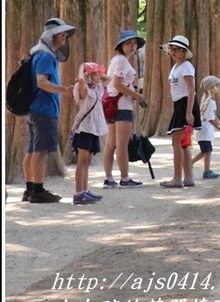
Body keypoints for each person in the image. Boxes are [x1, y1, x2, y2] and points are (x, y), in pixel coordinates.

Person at [23, 17, 76, 204]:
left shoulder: (39, 53)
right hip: (43, 109)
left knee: (32, 150)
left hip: (35, 109)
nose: (64, 37)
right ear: (51, 36)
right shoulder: (45, 56)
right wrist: (65, 90)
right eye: (61, 34)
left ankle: (29, 189)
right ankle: (38, 190)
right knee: (41, 151)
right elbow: (42, 82)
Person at [102, 29, 148, 188]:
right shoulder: (121, 61)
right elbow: (117, 84)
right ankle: (125, 178)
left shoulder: (115, 61)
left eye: (134, 43)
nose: (132, 46)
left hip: (111, 106)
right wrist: (137, 96)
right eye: (128, 43)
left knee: (111, 144)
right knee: (121, 145)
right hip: (122, 106)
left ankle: (108, 178)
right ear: (121, 45)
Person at [159, 34, 202, 189]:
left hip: (186, 104)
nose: (174, 52)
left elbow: (191, 90)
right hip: (179, 104)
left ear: (184, 52)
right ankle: (188, 177)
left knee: (177, 143)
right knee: (183, 144)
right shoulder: (175, 67)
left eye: (177, 49)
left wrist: (189, 112)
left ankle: (177, 178)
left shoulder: (187, 67)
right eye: (172, 49)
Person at [71, 62, 109, 205]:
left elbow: (109, 79)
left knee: (87, 161)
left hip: (94, 128)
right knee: (82, 160)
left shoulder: (98, 88)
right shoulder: (82, 87)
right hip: (84, 129)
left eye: (97, 74)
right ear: (87, 76)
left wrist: (98, 72)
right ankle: (78, 193)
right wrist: (83, 71)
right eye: (94, 74)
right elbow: (82, 92)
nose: (97, 77)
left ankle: (85, 190)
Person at [192, 76, 220, 179]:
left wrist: (218, 122)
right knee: (207, 151)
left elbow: (211, 115)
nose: (218, 87)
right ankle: (206, 171)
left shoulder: (205, 99)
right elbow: (210, 118)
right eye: (217, 85)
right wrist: (219, 128)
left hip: (203, 130)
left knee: (205, 151)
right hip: (205, 130)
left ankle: (192, 164)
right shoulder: (210, 102)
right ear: (212, 87)